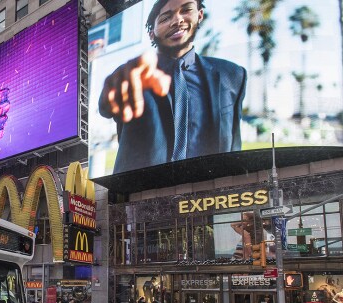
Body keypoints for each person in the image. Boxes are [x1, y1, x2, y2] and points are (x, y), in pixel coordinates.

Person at [98, 0, 246, 175]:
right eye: (165, 18)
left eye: (186, 10)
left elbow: (234, 147)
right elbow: (106, 106)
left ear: (199, 15)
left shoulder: (232, 75)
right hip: (142, 193)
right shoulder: (133, 75)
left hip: (210, 195)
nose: (177, 20)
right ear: (151, 33)